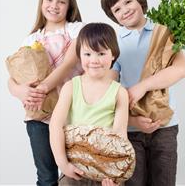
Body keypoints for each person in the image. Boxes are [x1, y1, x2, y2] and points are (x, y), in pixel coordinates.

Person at [101, 0, 185, 186]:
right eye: (117, 9)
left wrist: (142, 86)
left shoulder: (164, 31)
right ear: (113, 16)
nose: (125, 10)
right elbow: (110, 87)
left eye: (128, 1)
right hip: (131, 129)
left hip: (165, 125)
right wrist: (133, 120)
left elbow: (180, 70)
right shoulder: (114, 41)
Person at [8, 0, 84, 186]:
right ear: (41, 2)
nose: (54, 6)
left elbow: (69, 63)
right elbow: (13, 78)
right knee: (46, 177)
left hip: (73, 114)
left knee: (77, 175)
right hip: (39, 119)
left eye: (61, 1)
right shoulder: (32, 39)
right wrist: (19, 91)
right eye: (49, 0)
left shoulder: (76, 30)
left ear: (70, 6)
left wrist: (43, 88)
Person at [49, 23, 129, 186]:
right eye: (87, 54)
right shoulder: (71, 87)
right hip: (73, 169)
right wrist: (63, 164)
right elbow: (55, 126)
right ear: (79, 55)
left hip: (104, 174)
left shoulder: (119, 92)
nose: (94, 60)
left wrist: (115, 176)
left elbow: (120, 135)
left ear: (113, 54)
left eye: (101, 53)